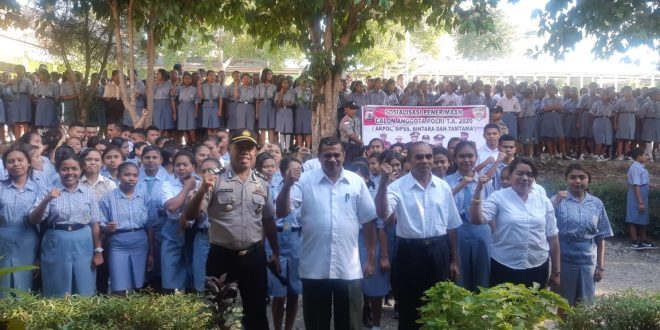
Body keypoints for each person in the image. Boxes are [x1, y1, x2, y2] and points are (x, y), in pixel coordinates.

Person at [276, 137, 377, 330]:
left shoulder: (356, 182)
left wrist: (370, 258)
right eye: (327, 155)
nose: (332, 159)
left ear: (344, 156)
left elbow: (369, 220)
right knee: (316, 323)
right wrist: (287, 185)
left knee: (350, 323)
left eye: (336, 155)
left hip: (348, 267)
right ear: (319, 157)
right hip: (315, 267)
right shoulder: (304, 180)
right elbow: (282, 212)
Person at [185, 129, 281, 329]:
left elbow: (269, 221)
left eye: (250, 148)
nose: (245, 152)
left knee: (256, 314)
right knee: (218, 314)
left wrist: (276, 253)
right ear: (230, 149)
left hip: (254, 257)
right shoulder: (214, 179)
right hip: (222, 257)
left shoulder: (261, 182)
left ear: (255, 152)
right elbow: (191, 215)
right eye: (240, 147)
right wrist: (202, 189)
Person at [375, 142, 461, 330]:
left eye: (428, 156)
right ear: (410, 160)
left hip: (439, 250)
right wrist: (382, 183)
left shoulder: (443, 186)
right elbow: (382, 213)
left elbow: (452, 225)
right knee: (409, 306)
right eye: (419, 157)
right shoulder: (397, 187)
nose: (425, 161)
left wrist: (454, 259)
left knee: (440, 305)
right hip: (409, 253)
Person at [469, 158, 560, 289]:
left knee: (534, 307)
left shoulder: (543, 201)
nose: (525, 178)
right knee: (503, 307)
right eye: (520, 173)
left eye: (530, 174)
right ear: (510, 175)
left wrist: (556, 271)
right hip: (504, 265)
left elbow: (553, 236)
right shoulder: (498, 197)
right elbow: (477, 220)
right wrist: (478, 190)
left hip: (537, 265)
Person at [29, 153, 104, 297]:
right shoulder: (47, 191)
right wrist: (46, 200)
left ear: (81, 169)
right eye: (65, 169)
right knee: (57, 285)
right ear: (58, 170)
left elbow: (95, 223)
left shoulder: (88, 193)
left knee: (84, 284)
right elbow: (34, 220)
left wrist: (98, 251)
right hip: (56, 241)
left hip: (83, 241)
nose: (70, 173)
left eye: (74, 169)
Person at [552, 163, 612, 305]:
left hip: (588, 262)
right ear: (566, 179)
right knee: (563, 305)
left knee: (585, 305)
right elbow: (545, 228)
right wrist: (555, 270)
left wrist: (600, 266)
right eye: (572, 177)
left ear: (588, 180)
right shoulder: (557, 200)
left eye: (582, 177)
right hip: (564, 260)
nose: (577, 181)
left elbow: (601, 236)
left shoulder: (596, 203)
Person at [444, 141, 492, 292]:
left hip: (481, 230)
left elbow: (491, 209)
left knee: (483, 274)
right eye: (462, 156)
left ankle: (481, 312)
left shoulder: (485, 182)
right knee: (459, 275)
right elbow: (442, 204)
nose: (466, 160)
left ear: (476, 157)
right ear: (455, 158)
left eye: (470, 156)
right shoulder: (446, 182)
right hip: (456, 231)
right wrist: (461, 185)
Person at [100, 162, 153, 294]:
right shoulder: (108, 198)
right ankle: (121, 314)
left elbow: (151, 225)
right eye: (127, 174)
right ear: (118, 176)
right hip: (118, 243)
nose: (131, 178)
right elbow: (101, 226)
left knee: (140, 284)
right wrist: (106, 228)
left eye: (135, 175)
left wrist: (151, 252)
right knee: (119, 286)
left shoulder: (144, 196)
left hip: (140, 242)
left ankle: (139, 314)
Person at [0, 145, 44, 296]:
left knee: (26, 281)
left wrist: (39, 255)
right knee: (3, 280)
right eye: (11, 161)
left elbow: (42, 223)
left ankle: (24, 318)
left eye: (20, 160)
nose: (16, 164)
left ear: (29, 162)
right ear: (5, 165)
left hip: (28, 239)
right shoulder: (0, 187)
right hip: (2, 239)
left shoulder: (39, 188)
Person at [161, 150, 198, 292]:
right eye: (177, 165)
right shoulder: (167, 184)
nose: (181, 168)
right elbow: (171, 206)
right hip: (173, 230)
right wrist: (187, 187)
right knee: (169, 270)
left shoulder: (201, 183)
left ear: (193, 166)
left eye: (185, 164)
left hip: (194, 231)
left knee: (193, 272)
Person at [626, 147, 653, 249]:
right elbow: (636, 185)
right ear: (638, 156)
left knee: (643, 218)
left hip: (642, 195)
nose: (648, 156)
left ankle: (644, 240)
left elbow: (642, 182)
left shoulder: (641, 166)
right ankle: (634, 241)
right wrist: (640, 202)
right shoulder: (635, 168)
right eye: (645, 154)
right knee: (633, 218)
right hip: (636, 196)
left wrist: (651, 185)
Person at [174, 72, 199, 144]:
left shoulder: (194, 89)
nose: (187, 80)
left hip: (191, 107)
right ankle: (186, 142)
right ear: (182, 79)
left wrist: (196, 111)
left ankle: (193, 142)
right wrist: (176, 84)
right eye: (185, 78)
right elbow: (173, 94)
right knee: (183, 126)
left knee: (191, 126)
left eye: (189, 78)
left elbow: (196, 101)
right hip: (181, 107)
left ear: (191, 79)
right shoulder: (179, 88)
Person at [9, 65, 33, 138]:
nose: (19, 71)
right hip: (15, 100)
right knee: (16, 121)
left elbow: (31, 93)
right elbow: (10, 90)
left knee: (25, 121)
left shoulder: (28, 81)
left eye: (20, 69)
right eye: (17, 69)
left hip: (25, 99)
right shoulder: (13, 81)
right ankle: (17, 140)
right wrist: (10, 83)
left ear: (24, 71)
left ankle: (26, 139)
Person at [590, 90, 614, 161]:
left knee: (607, 140)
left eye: (605, 95)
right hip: (598, 120)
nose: (604, 96)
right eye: (602, 95)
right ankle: (597, 155)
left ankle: (601, 155)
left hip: (607, 121)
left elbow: (613, 114)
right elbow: (591, 113)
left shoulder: (611, 105)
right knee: (600, 140)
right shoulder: (596, 104)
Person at [256, 68, 276, 145]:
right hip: (262, 105)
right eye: (269, 74)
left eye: (271, 74)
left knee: (271, 127)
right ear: (265, 75)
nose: (270, 76)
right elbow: (257, 100)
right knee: (263, 127)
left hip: (271, 105)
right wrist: (257, 112)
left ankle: (271, 144)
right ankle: (263, 145)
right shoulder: (259, 86)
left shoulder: (274, 86)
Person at [274, 78, 295, 148]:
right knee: (281, 129)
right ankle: (283, 148)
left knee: (288, 130)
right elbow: (277, 104)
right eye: (284, 83)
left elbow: (293, 103)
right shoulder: (277, 93)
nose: (286, 84)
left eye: (287, 83)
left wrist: (284, 104)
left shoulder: (291, 92)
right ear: (281, 84)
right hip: (280, 112)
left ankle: (287, 147)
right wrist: (281, 94)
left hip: (288, 111)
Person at [153, 69, 175, 135]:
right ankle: (157, 139)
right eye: (156, 74)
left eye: (158, 74)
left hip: (166, 105)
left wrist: (175, 84)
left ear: (163, 75)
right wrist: (154, 84)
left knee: (166, 125)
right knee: (158, 124)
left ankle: (164, 141)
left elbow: (172, 95)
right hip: (156, 104)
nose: (157, 75)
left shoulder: (168, 84)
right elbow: (146, 93)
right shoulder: (154, 85)